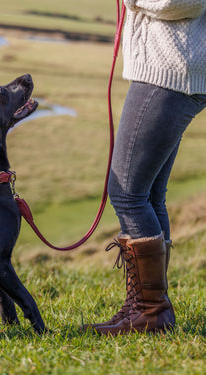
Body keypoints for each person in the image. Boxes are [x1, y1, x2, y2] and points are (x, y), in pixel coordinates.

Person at [85, 0, 206, 334]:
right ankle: (147, 308)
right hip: (170, 72)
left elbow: (185, 3)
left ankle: (151, 311)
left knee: (127, 194)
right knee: (150, 195)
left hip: (170, 74)